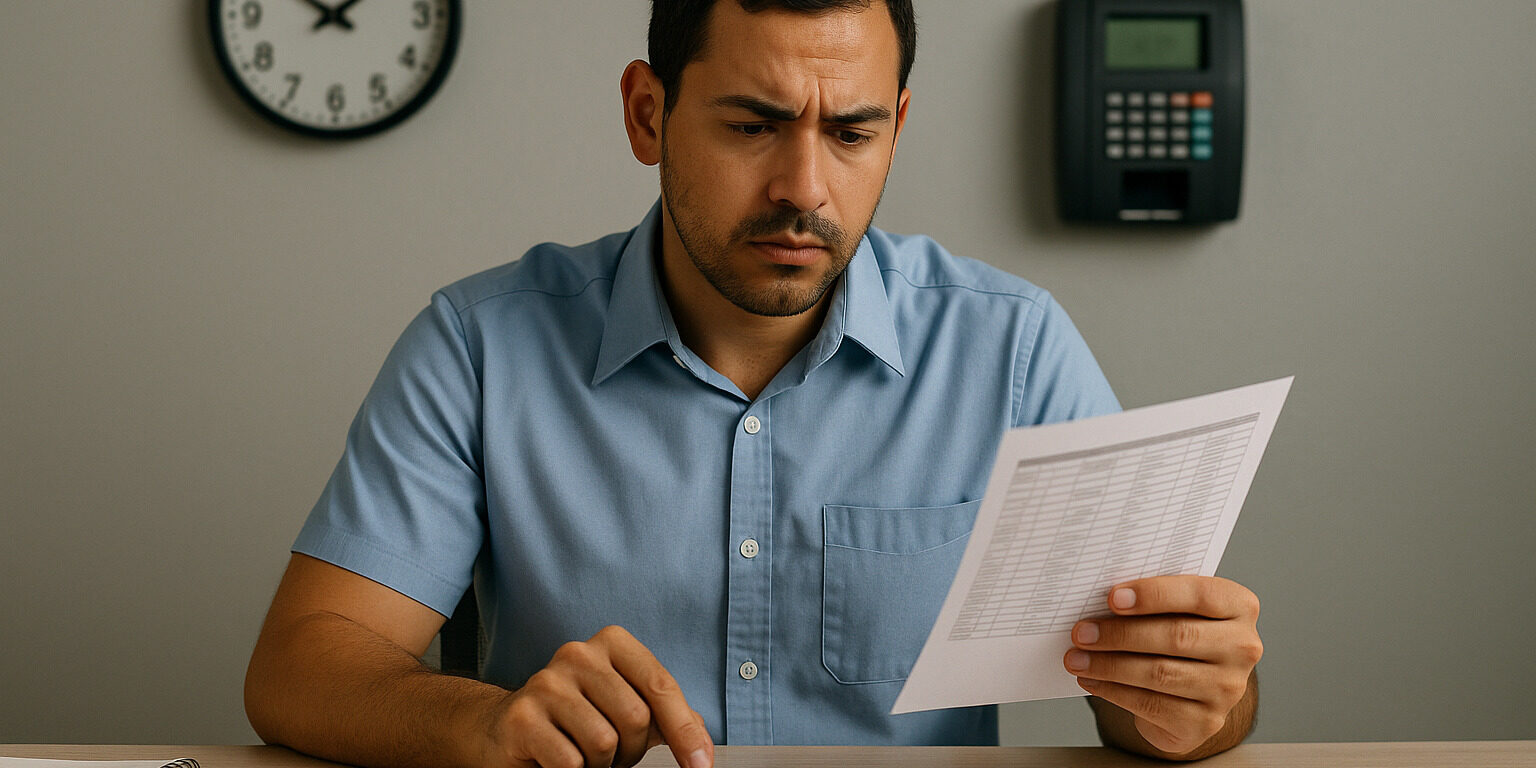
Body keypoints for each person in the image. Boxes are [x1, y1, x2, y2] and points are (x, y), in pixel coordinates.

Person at [243, 1, 1263, 766]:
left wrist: (1194, 701)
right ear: (649, 115)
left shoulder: (1015, 349)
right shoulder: (480, 345)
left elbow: (1175, 711)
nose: (804, 190)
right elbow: (300, 666)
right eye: (751, 125)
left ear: (897, 127)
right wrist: (484, 718)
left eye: (852, 132)